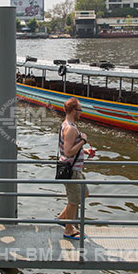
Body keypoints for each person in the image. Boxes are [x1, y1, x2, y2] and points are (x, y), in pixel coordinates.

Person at [56, 98, 96, 240]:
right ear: (73, 111)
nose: (81, 113)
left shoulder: (68, 125)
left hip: (75, 169)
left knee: (83, 193)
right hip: (71, 171)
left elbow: (72, 148)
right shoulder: (71, 128)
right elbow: (68, 151)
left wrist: (84, 151)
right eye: (79, 110)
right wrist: (83, 140)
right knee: (74, 200)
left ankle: (62, 218)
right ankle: (68, 229)